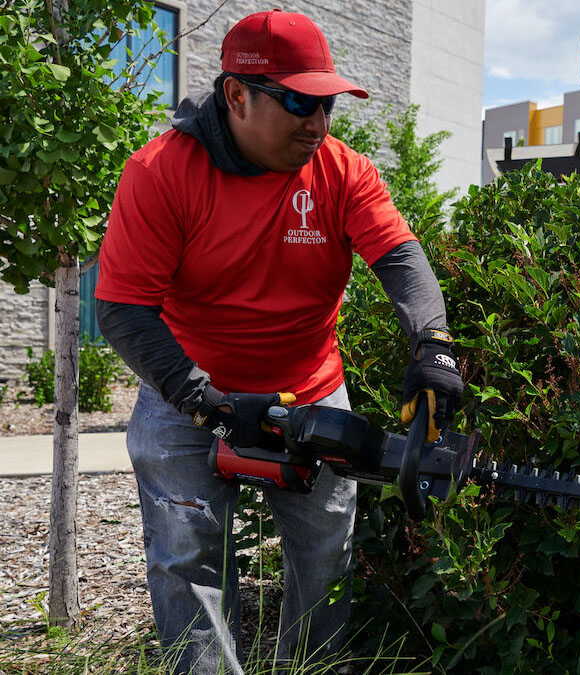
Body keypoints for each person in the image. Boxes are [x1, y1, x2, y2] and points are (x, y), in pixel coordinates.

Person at [94, 9, 463, 674]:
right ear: (237, 95)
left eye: (326, 104)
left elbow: (401, 259)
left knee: (325, 560)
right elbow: (123, 310)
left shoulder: (342, 171)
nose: (317, 123)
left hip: (311, 391)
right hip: (186, 396)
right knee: (189, 563)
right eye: (299, 101)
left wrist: (432, 345)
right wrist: (203, 400)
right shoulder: (160, 173)